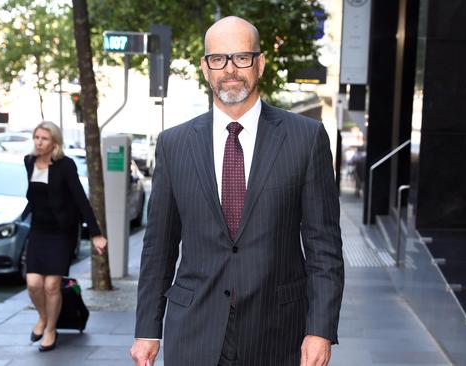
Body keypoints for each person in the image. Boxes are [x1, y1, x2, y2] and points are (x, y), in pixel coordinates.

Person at [130, 16, 344, 366]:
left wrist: (320, 330)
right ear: (205, 68)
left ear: (259, 64)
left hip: (277, 331)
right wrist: (147, 329)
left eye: (241, 57)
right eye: (218, 59)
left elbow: (325, 248)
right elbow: (158, 248)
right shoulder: (174, 144)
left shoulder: (305, 139)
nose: (230, 69)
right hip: (194, 328)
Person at [21, 121, 107, 352]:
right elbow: (33, 195)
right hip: (39, 229)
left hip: (62, 232)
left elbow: (81, 199)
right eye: (36, 137)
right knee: (33, 284)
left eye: (44, 138)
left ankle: (50, 329)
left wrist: (96, 234)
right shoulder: (29, 162)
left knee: (51, 285)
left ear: (54, 142)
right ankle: (43, 318)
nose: (39, 142)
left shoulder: (65, 166)